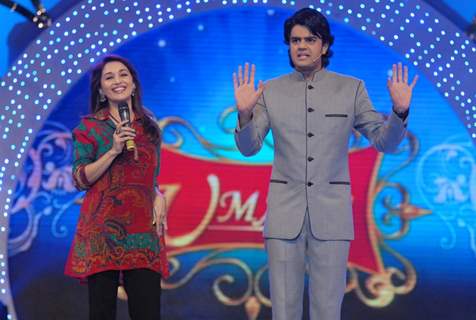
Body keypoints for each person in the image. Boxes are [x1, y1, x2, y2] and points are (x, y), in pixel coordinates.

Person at [233, 8, 418, 320]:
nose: (301, 46)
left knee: (327, 311)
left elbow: (384, 142)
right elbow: (248, 148)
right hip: (284, 213)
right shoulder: (271, 91)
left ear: (325, 46)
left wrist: (399, 112)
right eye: (295, 40)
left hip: (332, 215)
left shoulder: (351, 88)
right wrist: (244, 115)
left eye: (310, 39)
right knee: (284, 311)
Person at [65, 55, 169, 320]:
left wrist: (158, 194)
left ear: (133, 84)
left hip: (142, 230)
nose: (118, 81)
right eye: (109, 77)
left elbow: (149, 177)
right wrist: (112, 151)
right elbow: (79, 178)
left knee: (147, 311)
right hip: (102, 231)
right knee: (101, 312)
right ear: (101, 90)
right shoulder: (89, 127)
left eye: (123, 75)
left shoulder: (148, 128)